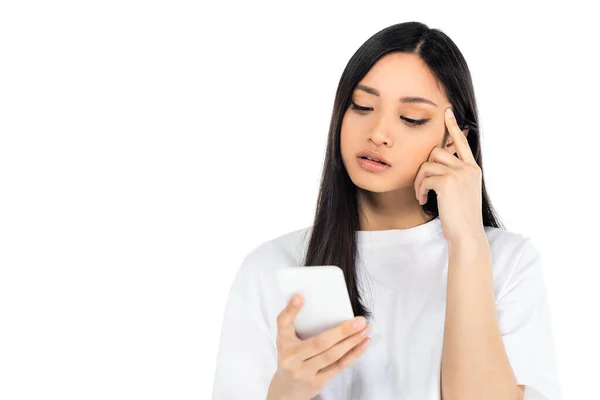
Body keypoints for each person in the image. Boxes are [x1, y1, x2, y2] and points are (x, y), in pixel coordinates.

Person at [211, 21, 561, 400]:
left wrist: (467, 244)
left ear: (454, 137)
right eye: (362, 106)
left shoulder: (507, 262)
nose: (378, 132)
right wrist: (287, 391)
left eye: (411, 117)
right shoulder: (271, 268)